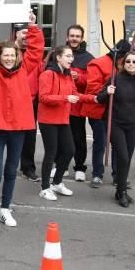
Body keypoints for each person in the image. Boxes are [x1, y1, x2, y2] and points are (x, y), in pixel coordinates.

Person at [0, 5, 44, 230]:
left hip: (18, 130)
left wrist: (32, 26)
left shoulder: (24, 69)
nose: (10, 58)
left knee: (12, 172)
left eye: (13, 55)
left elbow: (36, 51)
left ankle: (4, 209)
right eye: (6, 55)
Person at [97, 52, 135, 208]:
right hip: (114, 122)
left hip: (131, 124)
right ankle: (122, 191)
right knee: (123, 157)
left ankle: (120, 190)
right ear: (123, 63)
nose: (131, 64)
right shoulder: (115, 79)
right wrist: (107, 92)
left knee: (127, 158)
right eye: (128, 61)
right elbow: (99, 98)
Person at [38, 46, 93, 201]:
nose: (71, 59)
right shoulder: (48, 74)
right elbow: (44, 97)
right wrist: (65, 98)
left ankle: (56, 183)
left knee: (69, 150)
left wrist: (94, 98)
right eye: (68, 56)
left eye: (71, 56)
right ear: (58, 58)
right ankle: (45, 188)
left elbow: (75, 94)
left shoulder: (68, 76)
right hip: (48, 120)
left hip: (63, 119)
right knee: (51, 153)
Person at [80, 38, 132, 188]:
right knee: (100, 143)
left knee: (119, 145)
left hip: (118, 112)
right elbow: (93, 89)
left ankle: (118, 176)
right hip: (100, 111)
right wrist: (110, 87)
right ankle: (97, 174)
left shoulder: (125, 65)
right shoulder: (98, 63)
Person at [14, 22, 43, 183]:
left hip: (30, 102)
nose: (26, 36)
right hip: (10, 101)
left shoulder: (35, 57)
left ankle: (28, 168)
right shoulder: (7, 53)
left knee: (29, 138)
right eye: (23, 32)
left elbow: (41, 77)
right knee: (0, 135)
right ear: (16, 34)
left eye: (29, 33)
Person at [66, 25, 93, 183]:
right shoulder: (59, 53)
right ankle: (59, 166)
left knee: (78, 138)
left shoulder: (88, 58)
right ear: (67, 36)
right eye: (72, 35)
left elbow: (92, 82)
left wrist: (79, 78)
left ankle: (80, 167)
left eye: (77, 36)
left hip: (76, 107)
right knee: (59, 139)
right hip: (61, 104)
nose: (74, 38)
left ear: (81, 38)